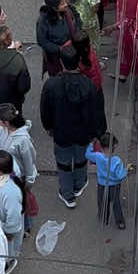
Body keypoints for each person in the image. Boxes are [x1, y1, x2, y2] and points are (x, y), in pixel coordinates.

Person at [40, 48, 103, 208]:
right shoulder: (88, 85)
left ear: (61, 62)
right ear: (78, 62)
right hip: (83, 133)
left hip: (61, 133)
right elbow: (96, 110)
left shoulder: (52, 85)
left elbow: (45, 110)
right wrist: (96, 132)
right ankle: (79, 184)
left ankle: (67, 193)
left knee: (63, 163)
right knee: (81, 159)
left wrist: (48, 127)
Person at [85, 132, 127, 229]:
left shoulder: (97, 156)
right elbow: (120, 176)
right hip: (114, 185)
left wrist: (91, 144)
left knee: (102, 201)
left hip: (102, 184)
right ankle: (120, 222)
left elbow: (87, 155)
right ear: (113, 147)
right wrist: (126, 171)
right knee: (115, 202)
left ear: (101, 146)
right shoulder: (117, 160)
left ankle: (104, 217)